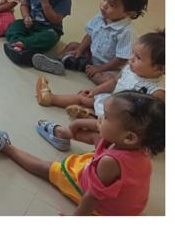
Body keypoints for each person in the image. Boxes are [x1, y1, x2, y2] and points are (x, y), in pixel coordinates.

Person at [0, 91, 162, 216]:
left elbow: (92, 197)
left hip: (107, 210)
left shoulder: (110, 162)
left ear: (129, 137)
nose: (100, 117)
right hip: (129, 203)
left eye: (106, 116)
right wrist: (75, 125)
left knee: (46, 168)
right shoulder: (139, 146)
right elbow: (100, 130)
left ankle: (6, 147)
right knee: (97, 136)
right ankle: (63, 134)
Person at [36, 29, 165, 147]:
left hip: (120, 120)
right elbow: (114, 82)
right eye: (133, 53)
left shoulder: (156, 92)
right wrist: (95, 91)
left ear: (159, 69)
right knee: (83, 98)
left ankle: (86, 117)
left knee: (101, 125)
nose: (131, 59)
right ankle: (51, 98)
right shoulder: (129, 70)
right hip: (111, 101)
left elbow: (153, 123)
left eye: (138, 58)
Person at [43, 0, 146, 76]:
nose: (104, 5)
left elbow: (121, 59)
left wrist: (100, 68)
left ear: (129, 13)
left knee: (104, 78)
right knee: (73, 45)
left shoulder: (126, 32)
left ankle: (81, 65)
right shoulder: (100, 17)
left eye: (111, 5)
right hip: (91, 55)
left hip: (109, 66)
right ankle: (56, 62)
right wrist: (80, 50)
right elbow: (90, 35)